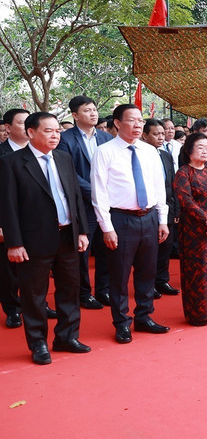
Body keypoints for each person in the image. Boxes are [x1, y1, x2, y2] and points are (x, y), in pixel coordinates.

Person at [0, 112, 90, 364]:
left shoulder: (63, 158)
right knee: (34, 295)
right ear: (31, 132)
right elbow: (8, 207)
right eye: (48, 131)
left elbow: (74, 198)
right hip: (33, 241)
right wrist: (14, 243)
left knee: (70, 290)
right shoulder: (12, 163)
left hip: (67, 236)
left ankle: (66, 336)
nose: (55, 135)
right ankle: (38, 343)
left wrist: (81, 230)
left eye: (57, 131)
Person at [91, 103, 170, 343]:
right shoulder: (104, 151)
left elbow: (159, 187)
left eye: (140, 120)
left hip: (148, 218)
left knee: (147, 271)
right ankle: (121, 322)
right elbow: (99, 193)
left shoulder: (149, 151)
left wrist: (162, 219)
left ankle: (144, 317)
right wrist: (107, 227)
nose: (138, 125)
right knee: (119, 274)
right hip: (120, 219)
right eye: (132, 120)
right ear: (117, 123)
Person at [56, 96, 114, 309]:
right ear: (74, 115)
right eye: (87, 110)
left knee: (106, 247)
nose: (93, 113)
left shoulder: (106, 139)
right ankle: (83, 292)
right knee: (82, 251)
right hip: (83, 204)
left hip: (107, 204)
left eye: (94, 109)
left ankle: (104, 290)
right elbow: (68, 172)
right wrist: (97, 191)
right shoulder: (65, 139)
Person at [174, 133, 207, 326]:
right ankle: (199, 314)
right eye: (201, 147)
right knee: (198, 271)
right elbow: (185, 200)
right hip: (194, 230)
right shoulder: (184, 172)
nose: (206, 151)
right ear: (189, 150)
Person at [141, 118, 180, 299]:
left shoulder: (165, 155)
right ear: (145, 135)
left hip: (168, 207)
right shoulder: (140, 155)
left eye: (162, 134)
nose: (160, 137)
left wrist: (176, 209)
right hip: (147, 209)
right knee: (150, 250)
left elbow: (172, 184)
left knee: (166, 247)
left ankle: (162, 280)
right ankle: (148, 284)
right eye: (156, 134)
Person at [0, 108, 29, 328]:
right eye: (22, 123)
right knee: (8, 270)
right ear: (8, 128)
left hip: (36, 223)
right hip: (7, 222)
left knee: (36, 267)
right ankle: (13, 308)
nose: (28, 126)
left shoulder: (41, 152)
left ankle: (35, 305)